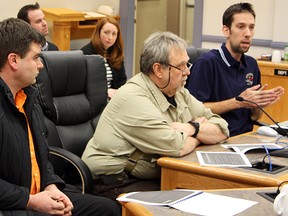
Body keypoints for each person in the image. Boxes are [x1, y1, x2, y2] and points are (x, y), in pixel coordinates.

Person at [81, 31, 229, 200]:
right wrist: (201, 133)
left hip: (154, 177)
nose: (187, 72)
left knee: (209, 193)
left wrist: (191, 128)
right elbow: (176, 146)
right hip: (116, 182)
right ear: (158, 69)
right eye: (181, 66)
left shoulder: (179, 92)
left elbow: (222, 128)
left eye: (188, 65)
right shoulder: (133, 98)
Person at [0, 18, 120, 216]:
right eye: (36, 57)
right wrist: (30, 200)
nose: (41, 65)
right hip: (13, 205)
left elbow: (42, 157)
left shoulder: (29, 97)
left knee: (108, 209)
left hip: (40, 195)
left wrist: (52, 187)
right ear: (14, 60)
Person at [185, 2, 284, 137]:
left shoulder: (251, 64)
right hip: (216, 140)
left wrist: (258, 104)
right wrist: (238, 102)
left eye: (251, 27)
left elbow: (254, 118)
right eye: (241, 27)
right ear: (226, 31)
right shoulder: (207, 63)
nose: (248, 33)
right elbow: (193, 111)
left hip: (246, 138)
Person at [81, 16, 127, 99]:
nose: (110, 38)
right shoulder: (86, 53)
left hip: (114, 99)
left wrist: (119, 92)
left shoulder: (116, 53)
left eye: (114, 34)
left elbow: (122, 81)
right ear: (98, 33)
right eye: (106, 32)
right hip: (94, 99)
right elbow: (84, 84)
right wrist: (105, 91)